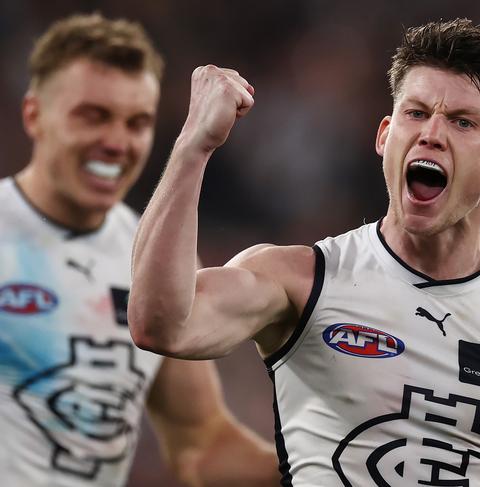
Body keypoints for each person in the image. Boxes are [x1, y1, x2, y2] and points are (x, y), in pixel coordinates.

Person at [129, 18, 480, 486]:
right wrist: (194, 145)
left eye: (463, 122)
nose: (432, 134)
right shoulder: (302, 281)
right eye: (416, 112)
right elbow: (159, 324)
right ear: (385, 136)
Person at [0, 13, 279, 487]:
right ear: (34, 115)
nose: (116, 142)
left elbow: (201, 444)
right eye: (93, 116)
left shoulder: (151, 259)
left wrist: (322, 467)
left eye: (137, 122)